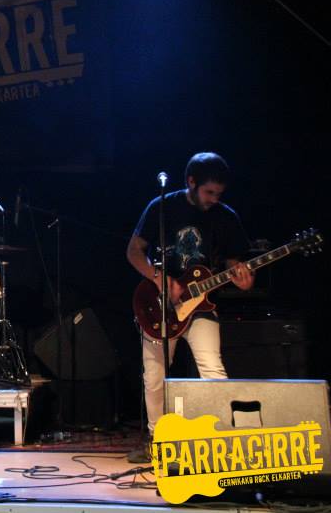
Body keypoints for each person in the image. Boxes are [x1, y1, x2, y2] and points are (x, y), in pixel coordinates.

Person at [125, 152, 253, 463]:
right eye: (209, 192)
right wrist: (158, 278)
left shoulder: (226, 217)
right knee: (154, 376)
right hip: (160, 305)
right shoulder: (162, 206)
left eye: (219, 194)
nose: (214, 199)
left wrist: (243, 279)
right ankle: (157, 441)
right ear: (191, 182)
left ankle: (222, 442)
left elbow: (234, 265)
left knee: (213, 370)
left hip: (202, 306)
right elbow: (134, 251)